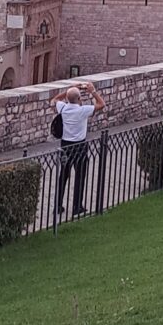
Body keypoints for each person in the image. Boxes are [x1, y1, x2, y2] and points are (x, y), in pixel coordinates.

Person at [54, 79, 106, 221]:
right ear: (79, 99)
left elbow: (54, 99)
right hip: (79, 146)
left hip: (65, 145)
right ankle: (77, 206)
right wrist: (93, 91)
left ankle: (57, 205)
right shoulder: (83, 110)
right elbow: (101, 104)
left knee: (63, 175)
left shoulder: (62, 108)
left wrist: (70, 89)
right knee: (80, 176)